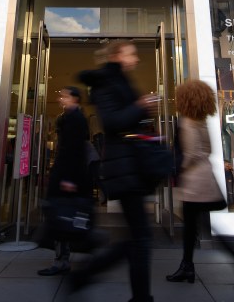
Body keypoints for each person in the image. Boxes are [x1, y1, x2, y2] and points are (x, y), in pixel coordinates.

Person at [70, 40, 157, 302]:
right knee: (140, 237)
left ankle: (92, 275)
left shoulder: (120, 80)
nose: (137, 59)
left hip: (131, 164)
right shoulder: (106, 82)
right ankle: (90, 274)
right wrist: (140, 106)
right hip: (124, 165)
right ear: (118, 55)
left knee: (138, 236)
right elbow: (112, 122)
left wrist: (143, 112)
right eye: (132, 53)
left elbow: (129, 121)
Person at [165, 79, 234, 290]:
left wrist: (177, 170)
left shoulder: (186, 122)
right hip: (204, 179)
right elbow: (207, 150)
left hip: (194, 183)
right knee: (195, 227)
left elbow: (190, 154)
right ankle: (187, 266)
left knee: (198, 227)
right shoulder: (202, 120)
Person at [37, 86, 91, 277]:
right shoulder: (70, 118)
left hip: (67, 177)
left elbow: (74, 151)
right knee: (62, 217)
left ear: (75, 99)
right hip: (65, 175)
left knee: (62, 217)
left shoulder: (76, 120)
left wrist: (68, 179)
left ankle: (61, 260)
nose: (61, 99)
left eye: (65, 96)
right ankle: (62, 258)